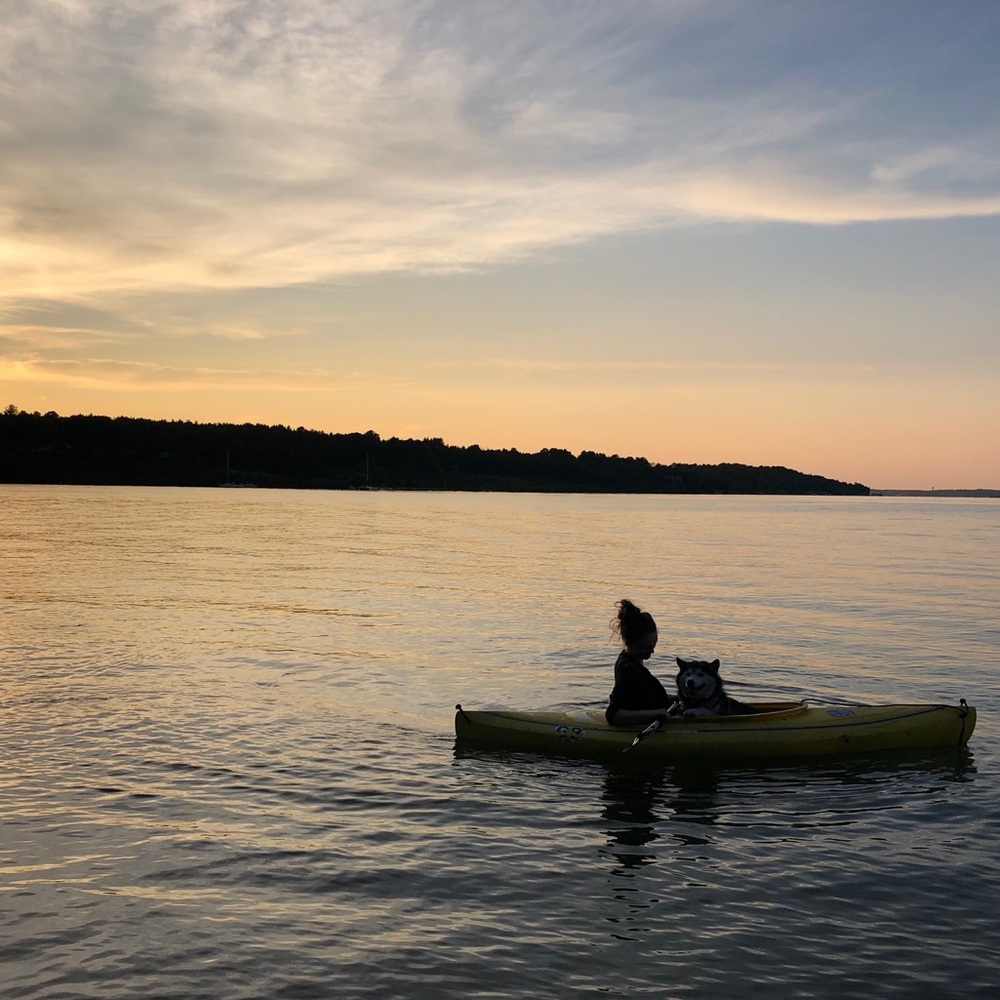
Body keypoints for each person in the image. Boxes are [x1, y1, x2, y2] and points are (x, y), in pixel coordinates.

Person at [605, 598, 673, 725]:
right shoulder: (627, 669)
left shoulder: (634, 661)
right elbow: (613, 714)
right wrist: (656, 714)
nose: (652, 651)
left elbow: (642, 697)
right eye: (646, 647)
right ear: (629, 642)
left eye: (654, 645)